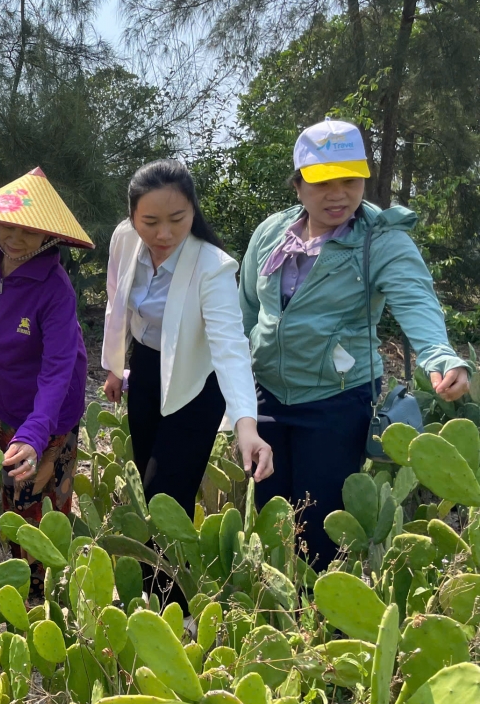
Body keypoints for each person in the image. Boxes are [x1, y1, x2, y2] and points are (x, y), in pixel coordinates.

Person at [240, 119, 471, 566]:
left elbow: (416, 299)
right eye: (323, 182)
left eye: (350, 180)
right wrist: (237, 385)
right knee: (270, 520)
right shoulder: (271, 233)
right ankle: (271, 606)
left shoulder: (381, 240)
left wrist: (439, 355)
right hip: (266, 396)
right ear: (298, 185)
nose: (339, 194)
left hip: (336, 400)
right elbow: (247, 309)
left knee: (320, 527)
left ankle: (320, 607)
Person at [103, 160, 273, 520]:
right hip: (145, 367)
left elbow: (230, 347)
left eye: (177, 219)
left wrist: (246, 424)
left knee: (165, 495)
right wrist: (115, 367)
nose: (164, 233)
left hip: (195, 383)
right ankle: (154, 559)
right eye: (150, 222)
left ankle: (162, 560)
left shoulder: (213, 266)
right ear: (132, 216)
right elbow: (116, 301)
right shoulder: (124, 239)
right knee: (144, 483)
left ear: (193, 211)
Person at [0, 167, 92, 523]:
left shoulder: (55, 288)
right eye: (8, 226)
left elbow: (58, 369)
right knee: (13, 501)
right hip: (5, 404)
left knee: (44, 515)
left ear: (48, 234)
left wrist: (35, 433)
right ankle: (15, 560)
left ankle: (42, 564)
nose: (16, 239)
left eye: (29, 231)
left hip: (51, 414)